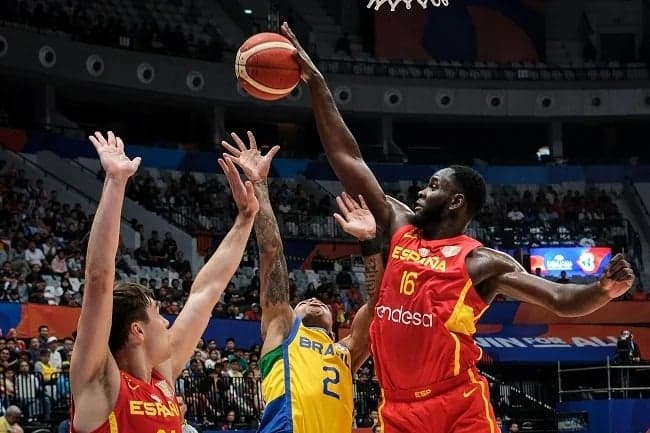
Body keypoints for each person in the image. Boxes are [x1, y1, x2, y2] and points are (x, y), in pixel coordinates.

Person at [280, 22, 636, 433]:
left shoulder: (481, 263)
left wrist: (603, 290)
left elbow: (559, 298)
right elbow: (349, 159)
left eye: (432, 186)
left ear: (456, 202)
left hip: (455, 406)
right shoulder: (399, 227)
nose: (420, 191)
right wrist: (317, 84)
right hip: (396, 409)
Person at [70, 131, 259, 433]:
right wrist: (116, 182)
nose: (167, 323)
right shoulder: (101, 382)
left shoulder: (161, 380)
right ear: (137, 330)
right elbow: (99, 279)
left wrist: (246, 219)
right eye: (158, 313)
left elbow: (206, 292)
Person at [221, 132, 384, 433]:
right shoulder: (283, 328)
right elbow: (272, 252)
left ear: (336, 324)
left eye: (320, 303)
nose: (312, 300)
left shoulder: (347, 353)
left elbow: (378, 305)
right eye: (304, 301)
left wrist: (369, 242)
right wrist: (259, 185)